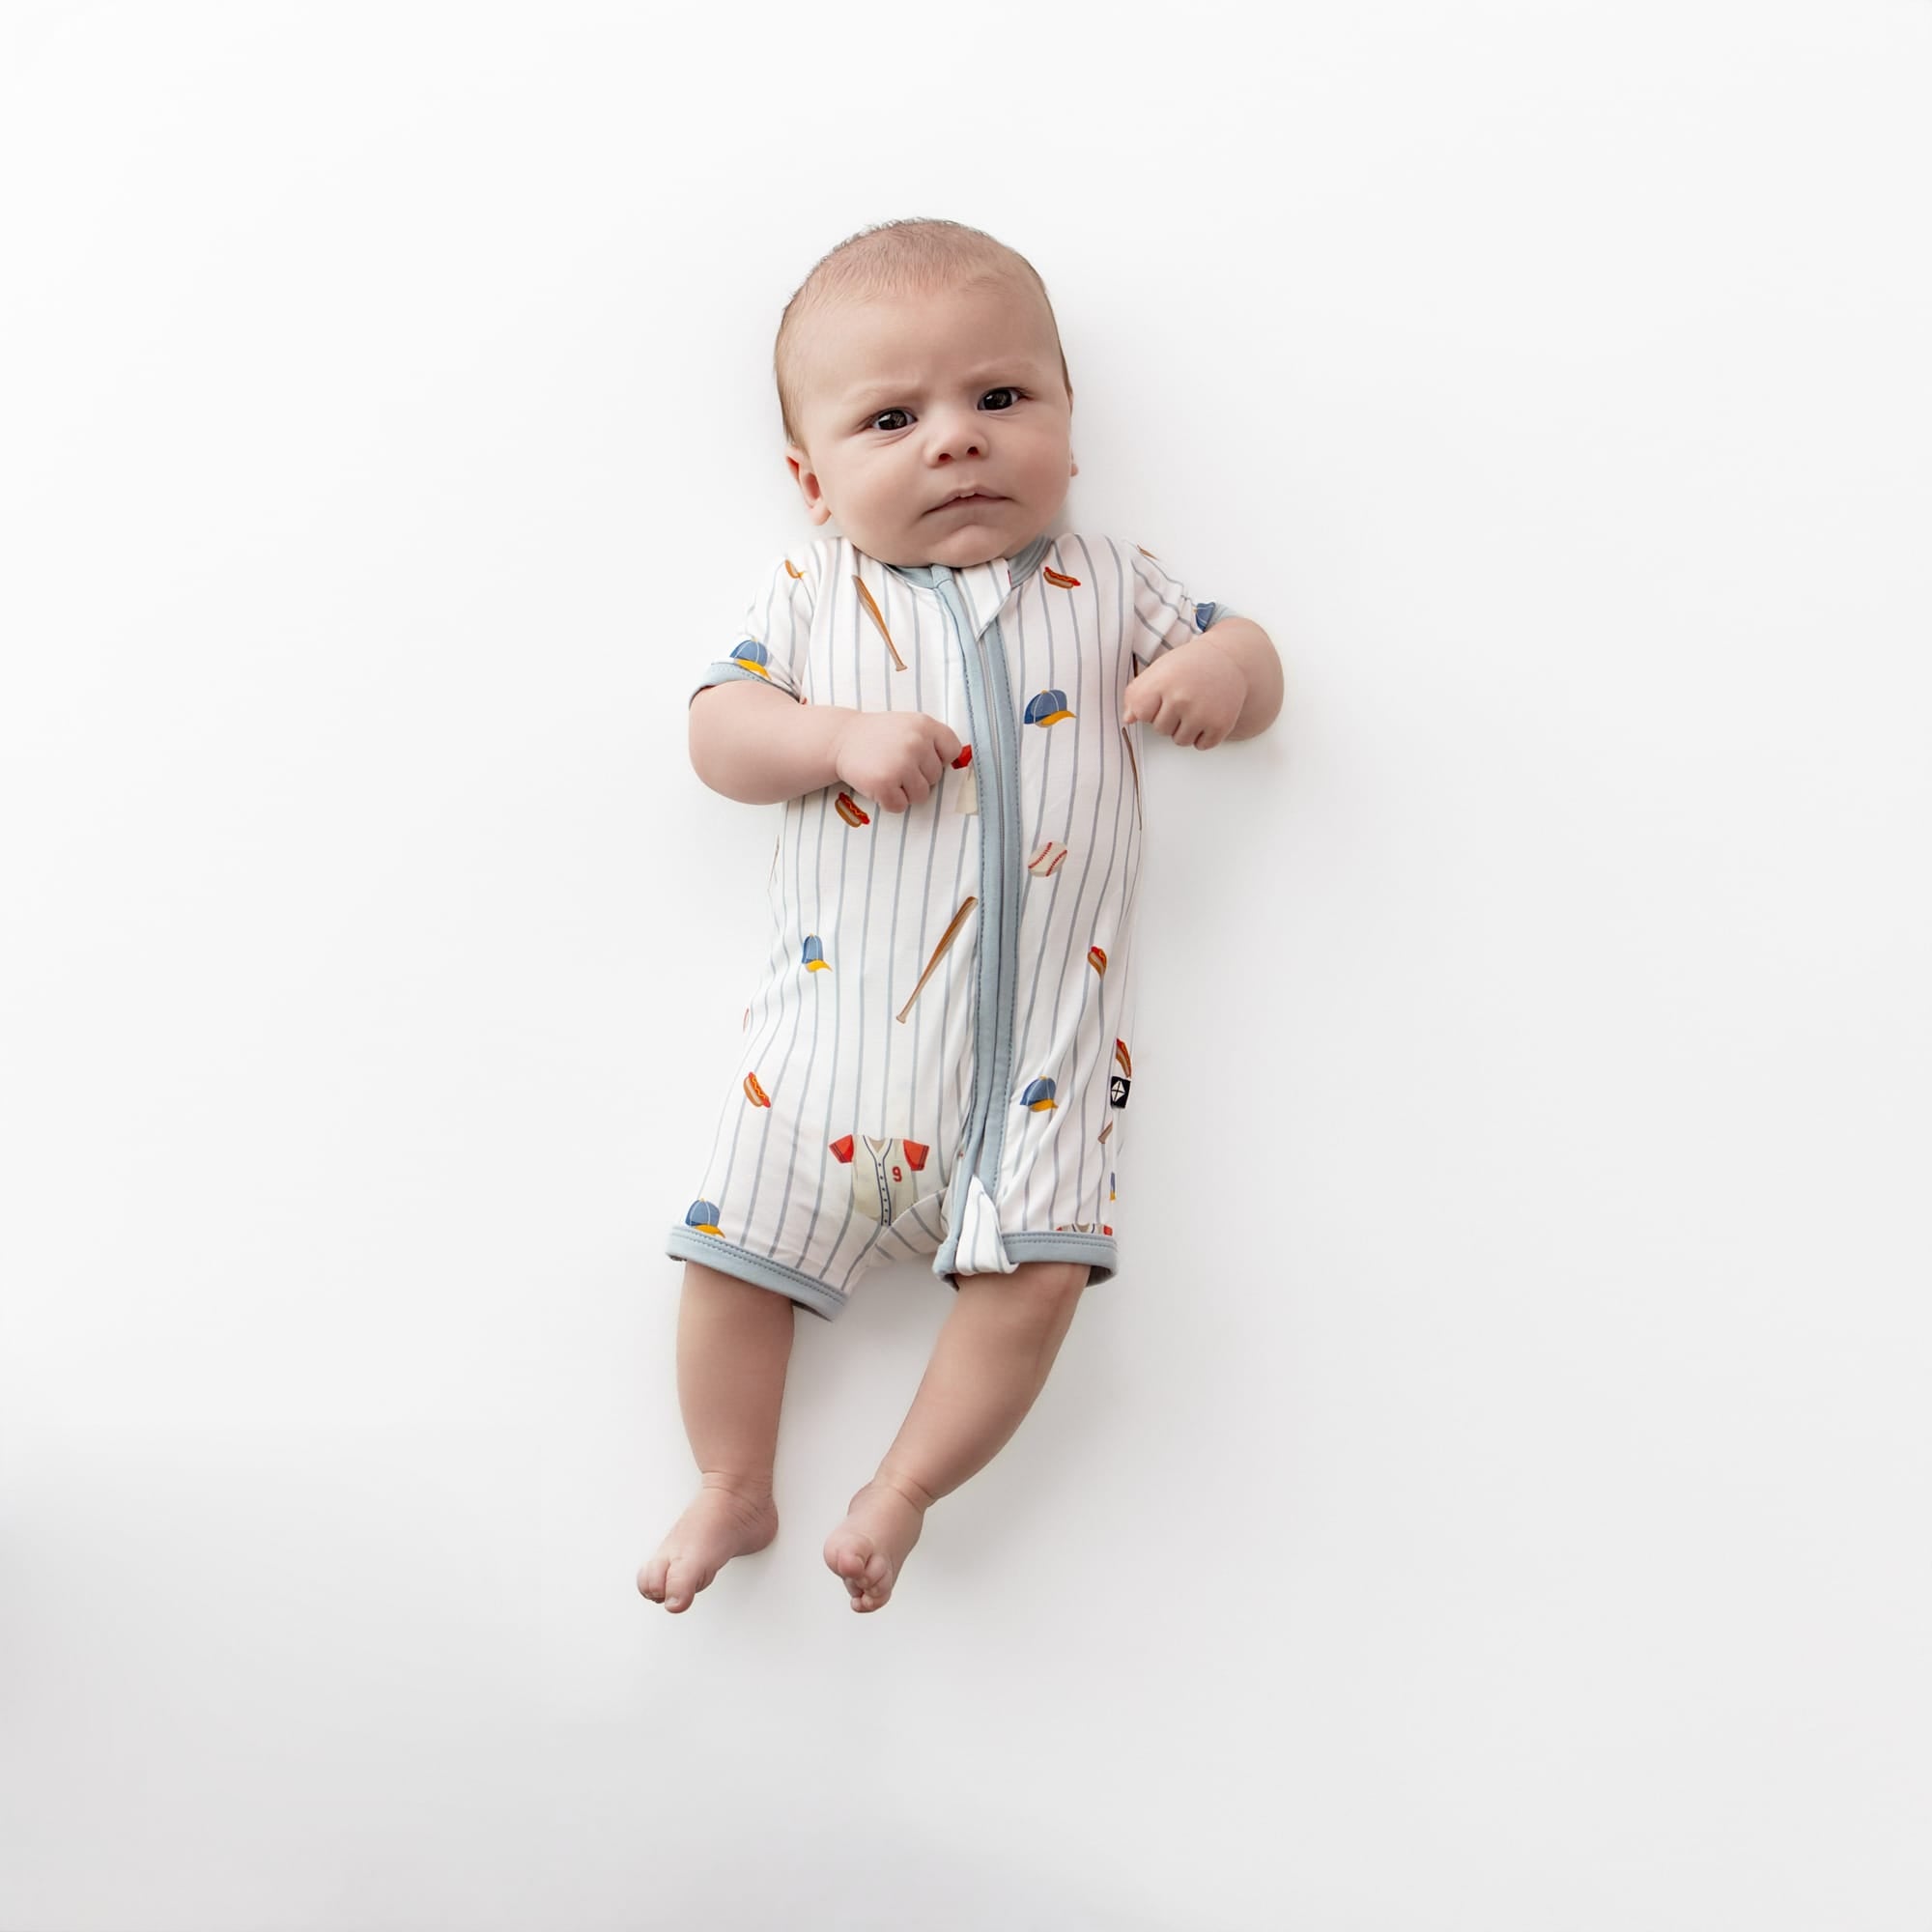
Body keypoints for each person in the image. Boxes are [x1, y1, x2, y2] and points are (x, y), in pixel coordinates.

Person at [639, 217, 1283, 1615]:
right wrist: (829, 741)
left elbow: (1248, 644)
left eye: (1001, 398)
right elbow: (719, 733)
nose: (957, 440)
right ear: (813, 480)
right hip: (815, 1080)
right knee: (729, 1266)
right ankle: (730, 1483)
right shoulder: (812, 592)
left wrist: (1227, 674)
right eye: (893, 416)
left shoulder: (1112, 580)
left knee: (1039, 1284)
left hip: (1040, 1079)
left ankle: (904, 1490)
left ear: (1068, 422)